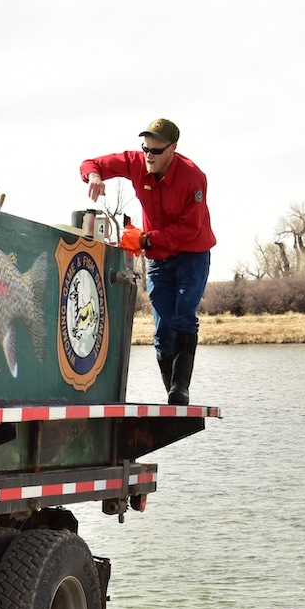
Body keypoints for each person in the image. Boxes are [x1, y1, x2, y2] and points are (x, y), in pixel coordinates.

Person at [80, 118, 215, 405]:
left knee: (183, 316)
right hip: (158, 260)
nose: (148, 156)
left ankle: (180, 389)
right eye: (145, 149)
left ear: (173, 149)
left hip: (192, 255)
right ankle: (172, 393)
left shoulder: (193, 177)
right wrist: (93, 177)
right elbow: (92, 163)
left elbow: (189, 229)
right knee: (162, 330)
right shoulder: (136, 162)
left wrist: (145, 240)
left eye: (155, 150)